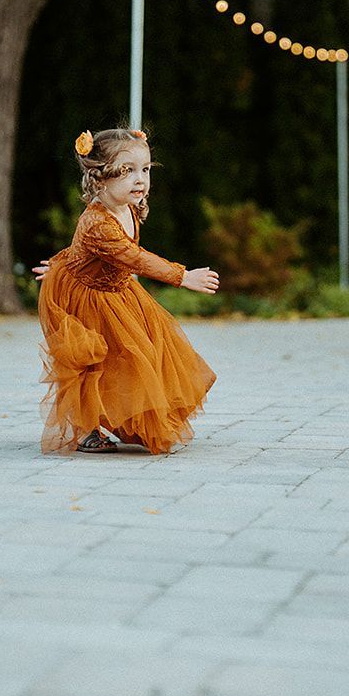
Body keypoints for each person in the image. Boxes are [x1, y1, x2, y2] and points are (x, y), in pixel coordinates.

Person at [36, 127, 220, 454]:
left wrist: (59, 262)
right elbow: (134, 257)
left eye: (146, 170)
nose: (140, 180)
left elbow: (90, 252)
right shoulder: (98, 221)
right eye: (127, 171)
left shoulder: (128, 207)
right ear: (100, 178)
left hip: (116, 291)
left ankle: (126, 417)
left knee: (142, 354)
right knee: (92, 362)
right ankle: (85, 430)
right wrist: (182, 276)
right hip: (86, 297)